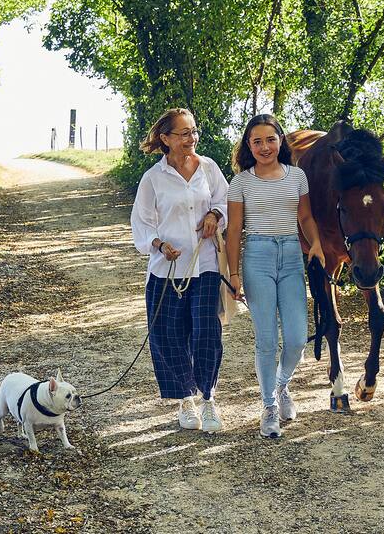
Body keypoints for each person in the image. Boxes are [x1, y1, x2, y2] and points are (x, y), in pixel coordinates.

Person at [225, 114, 325, 439]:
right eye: (257, 141)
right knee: (266, 340)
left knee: (297, 338)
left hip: (292, 257)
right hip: (257, 257)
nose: (265, 147)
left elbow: (306, 217)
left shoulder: (297, 176)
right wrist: (234, 273)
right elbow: (234, 231)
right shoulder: (240, 182)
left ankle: (282, 386)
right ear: (248, 146)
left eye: (271, 139)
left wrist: (317, 245)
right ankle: (268, 407)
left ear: (280, 140)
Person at [131, 108, 229, 433]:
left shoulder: (209, 168)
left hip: (205, 266)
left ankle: (208, 399)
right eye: (184, 133)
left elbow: (225, 201)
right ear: (166, 139)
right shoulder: (152, 179)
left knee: (206, 333)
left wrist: (215, 214)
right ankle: (185, 400)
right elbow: (141, 224)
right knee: (169, 337)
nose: (192, 138)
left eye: (193, 131)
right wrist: (158, 245)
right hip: (167, 272)